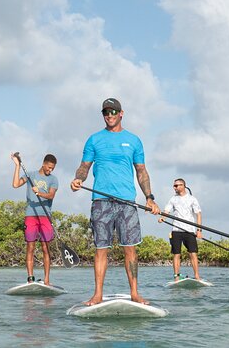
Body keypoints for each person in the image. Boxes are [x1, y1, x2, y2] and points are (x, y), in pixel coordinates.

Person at [70, 97, 160, 305]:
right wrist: (78, 179)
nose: (109, 116)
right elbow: (84, 166)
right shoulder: (94, 139)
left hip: (127, 202)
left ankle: (135, 293)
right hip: (101, 201)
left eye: (113, 112)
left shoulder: (134, 140)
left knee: (130, 248)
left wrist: (149, 198)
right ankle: (98, 294)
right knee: (101, 248)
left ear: (121, 113)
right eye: (105, 112)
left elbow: (142, 171)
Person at [11, 153, 59, 285]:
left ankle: (47, 280)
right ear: (44, 164)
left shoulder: (53, 179)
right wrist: (17, 166)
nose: (50, 170)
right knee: (30, 247)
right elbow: (15, 184)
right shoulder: (30, 175)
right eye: (49, 167)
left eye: (52, 168)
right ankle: (30, 279)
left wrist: (39, 193)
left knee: (45, 248)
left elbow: (51, 195)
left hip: (45, 216)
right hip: (31, 215)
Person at [158, 179, 203, 281]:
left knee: (193, 253)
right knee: (176, 254)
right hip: (176, 230)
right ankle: (176, 277)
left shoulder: (192, 199)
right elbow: (166, 211)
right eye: (174, 186)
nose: (175, 187)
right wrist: (163, 217)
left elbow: (198, 214)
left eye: (177, 185)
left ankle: (197, 276)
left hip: (189, 230)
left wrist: (199, 230)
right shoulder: (173, 199)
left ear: (183, 186)